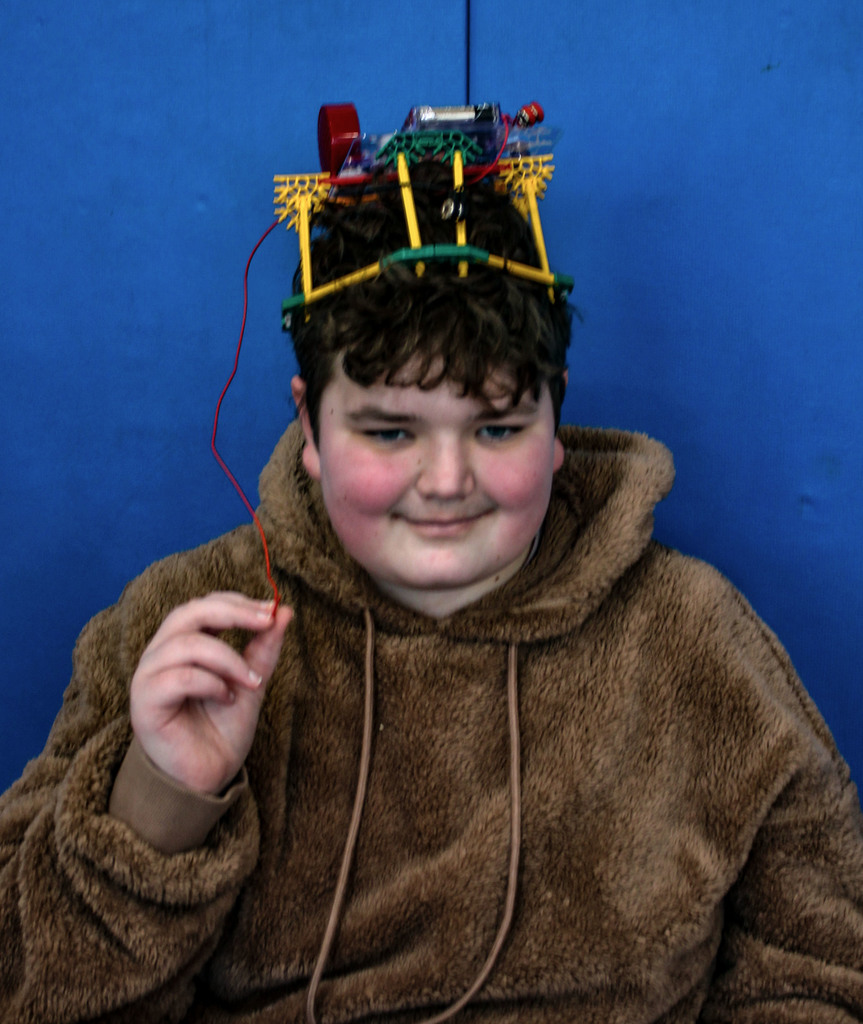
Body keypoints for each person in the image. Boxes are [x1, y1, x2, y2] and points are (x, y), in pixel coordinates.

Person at [1, 156, 862, 1024]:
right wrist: (157, 803)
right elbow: (28, 991)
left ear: (555, 416)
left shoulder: (692, 636)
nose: (446, 481)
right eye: (387, 430)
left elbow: (822, 965)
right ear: (309, 424)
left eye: (496, 425)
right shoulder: (182, 632)